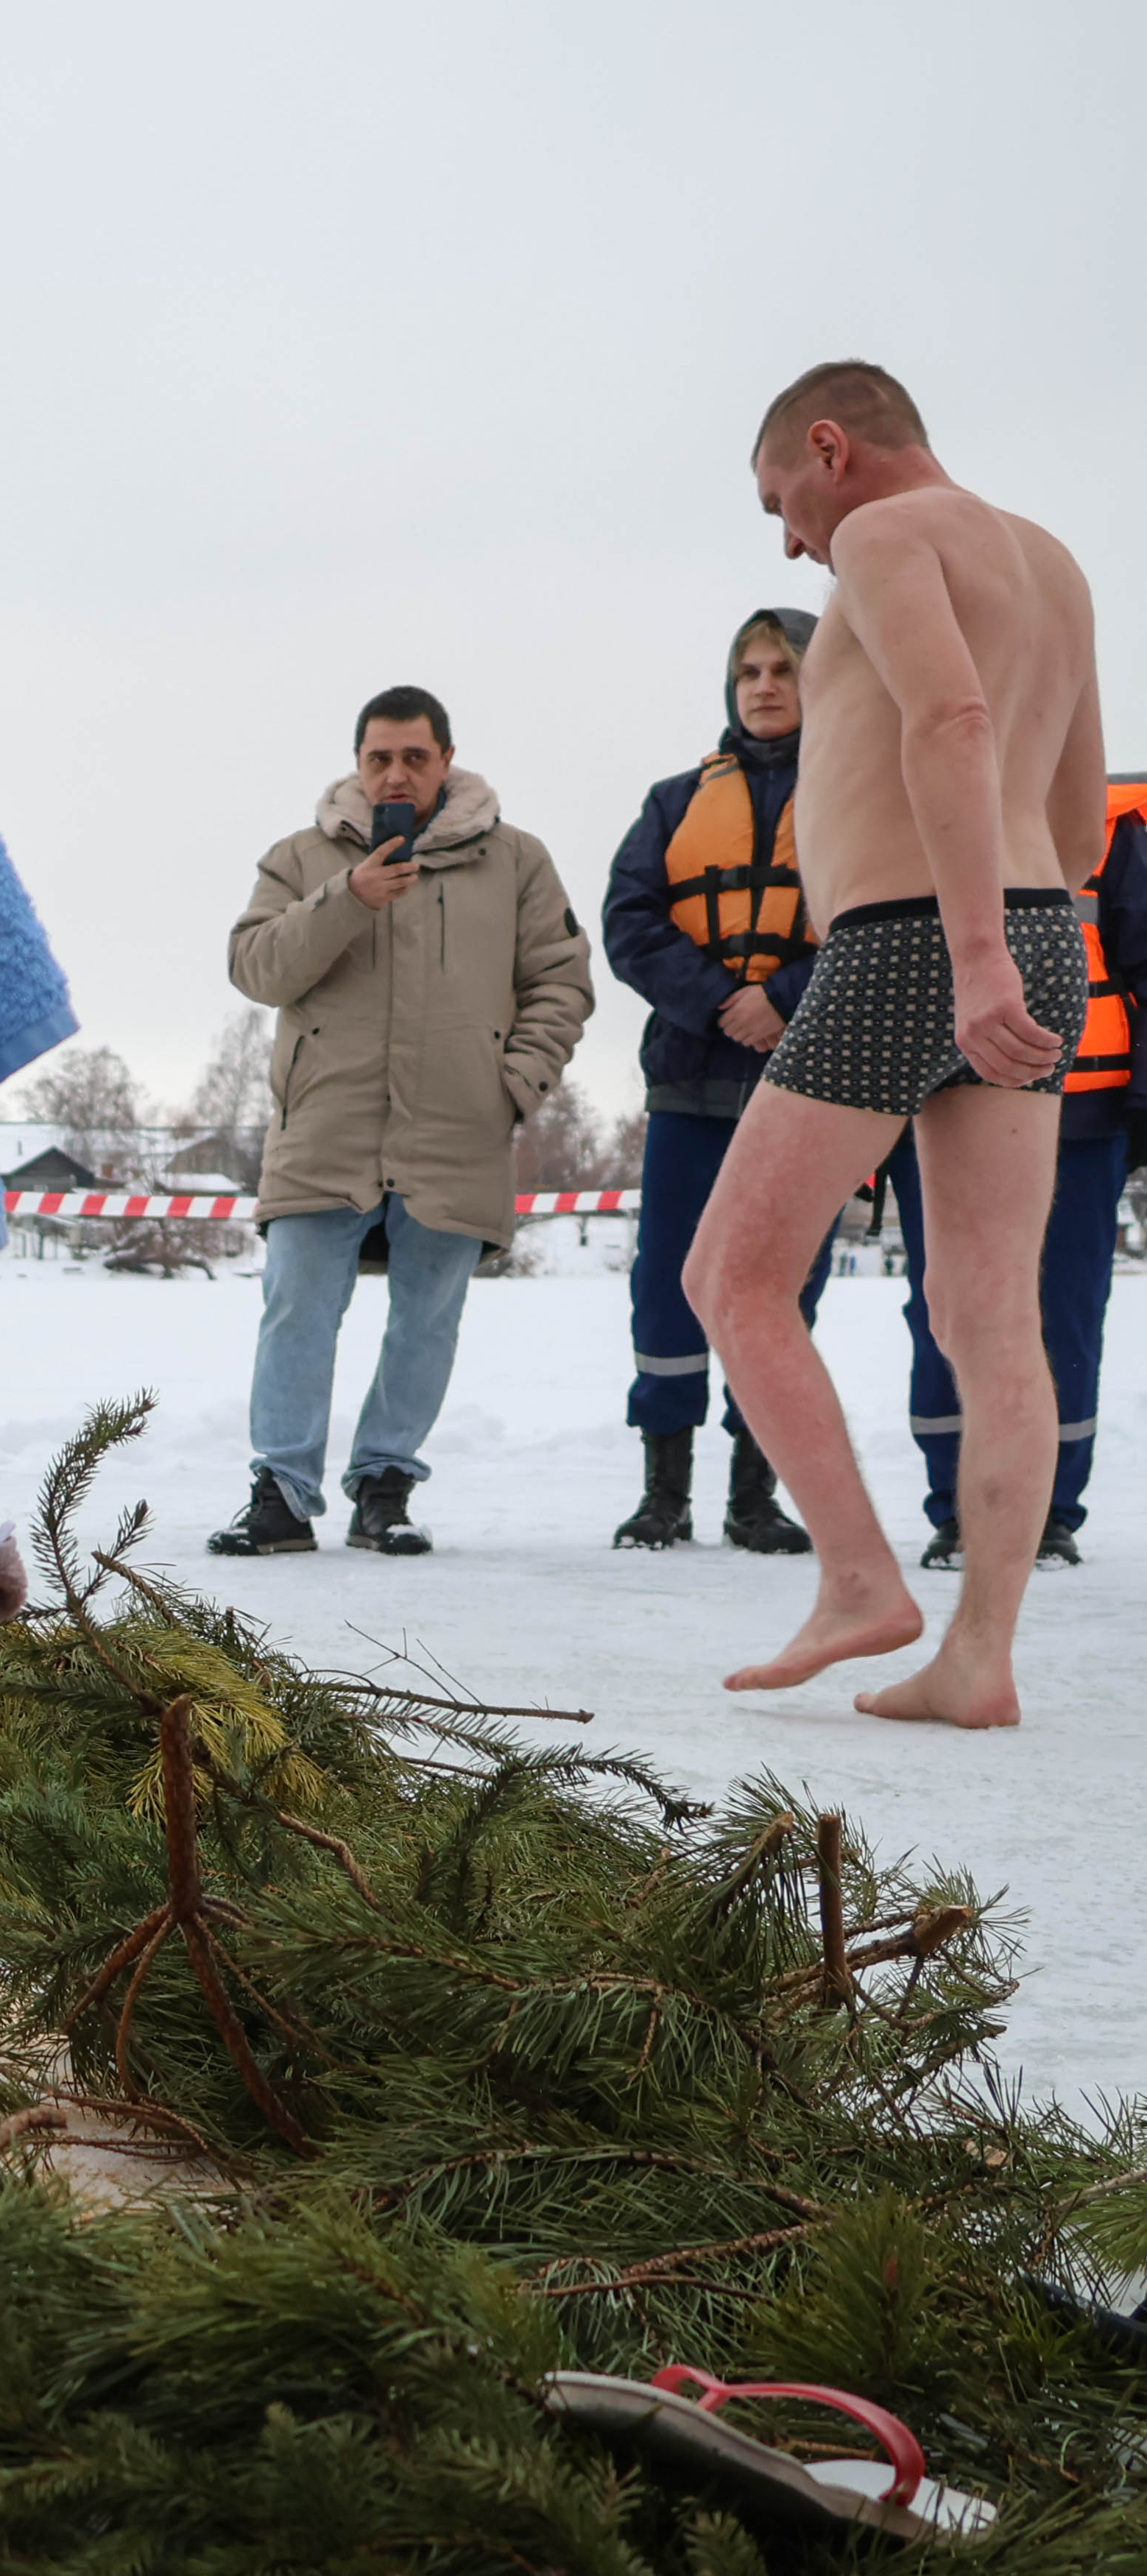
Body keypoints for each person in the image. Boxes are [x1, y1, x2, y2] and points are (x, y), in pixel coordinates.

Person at [680, 361, 1107, 1726]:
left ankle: (860, 1577)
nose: (789, 540)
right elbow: (1082, 807)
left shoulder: (879, 532)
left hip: (921, 940)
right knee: (989, 1312)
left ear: (828, 449)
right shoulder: (1049, 561)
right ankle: (978, 1658)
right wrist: (1021, 940)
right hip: (1042, 924)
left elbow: (954, 720)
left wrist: (969, 951)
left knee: (732, 1273)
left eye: (779, 502)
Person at [209, 686, 593, 1559]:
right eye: (380, 756)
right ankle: (281, 1492)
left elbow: (563, 982)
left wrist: (513, 1085)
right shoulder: (300, 858)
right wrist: (348, 896)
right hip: (324, 1128)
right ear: (358, 763)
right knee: (297, 1306)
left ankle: (386, 1484)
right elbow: (255, 968)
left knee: (428, 1315)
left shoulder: (518, 861)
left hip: (457, 1129)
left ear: (447, 761)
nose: (397, 772)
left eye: (415, 756)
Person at [597, 609, 832, 1552]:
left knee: (786, 1288)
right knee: (668, 1286)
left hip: (809, 1086)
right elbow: (630, 920)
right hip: (692, 1082)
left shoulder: (865, 796)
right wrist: (719, 1001)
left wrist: (782, 997)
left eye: (785, 669)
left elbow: (883, 919)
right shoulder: (674, 801)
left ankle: (754, 1494)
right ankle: (665, 1492)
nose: (766, 685)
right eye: (750, 671)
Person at [875, 770, 1142, 1570]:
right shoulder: (901, 800)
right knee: (947, 1314)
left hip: (1080, 1117)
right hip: (940, 1105)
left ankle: (1049, 1512)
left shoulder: (1110, 821)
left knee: (1063, 1317)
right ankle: (957, 1510)